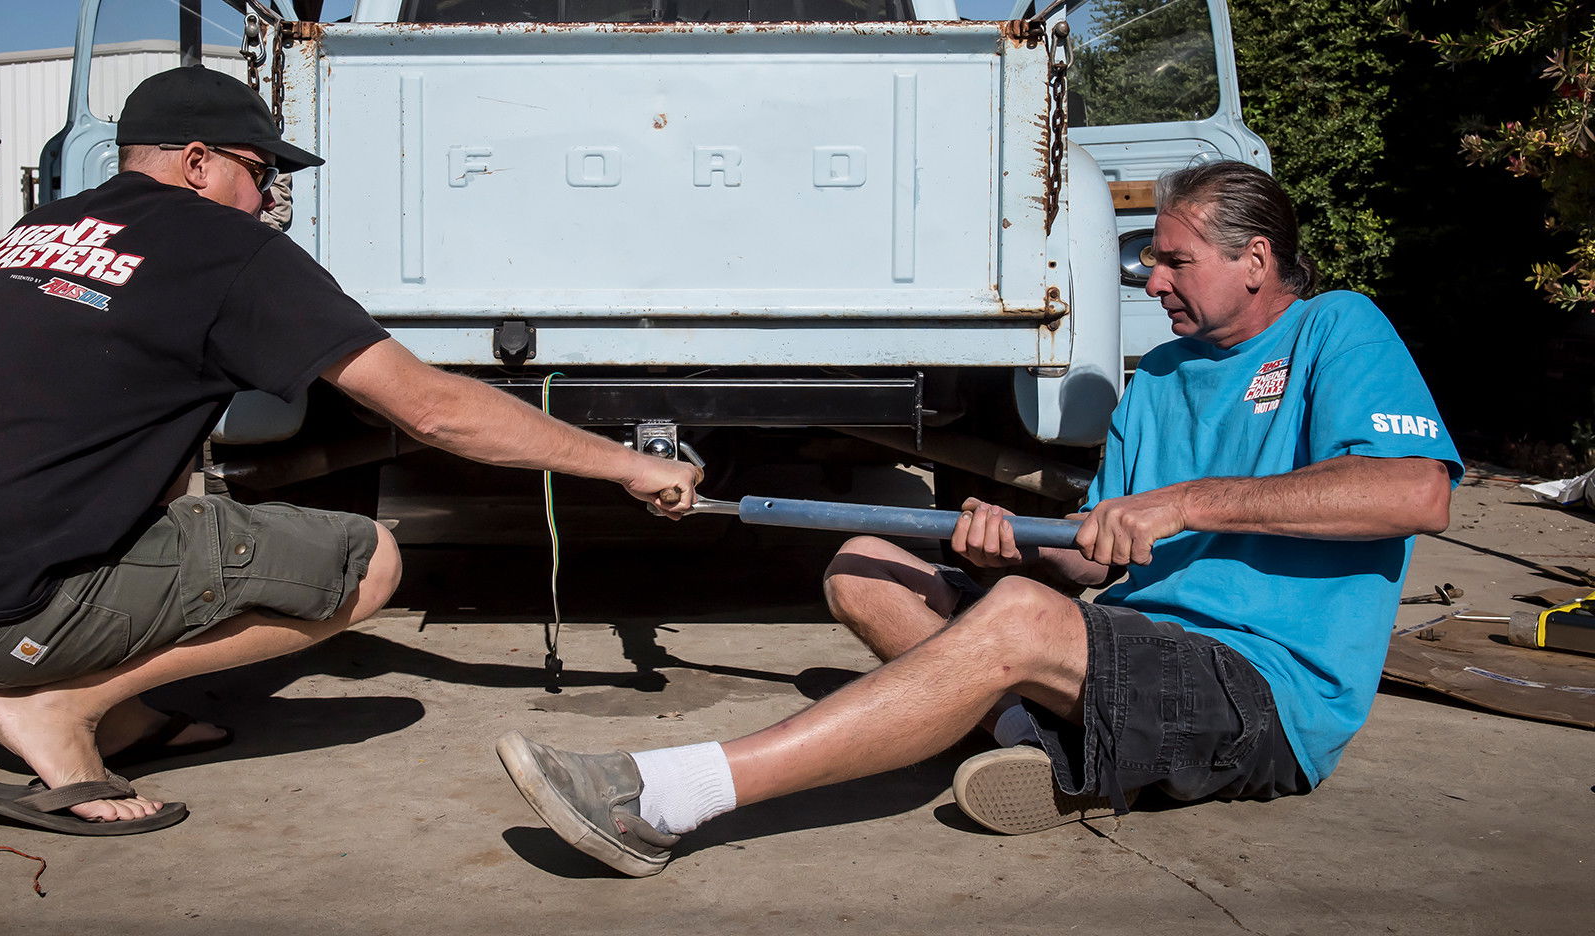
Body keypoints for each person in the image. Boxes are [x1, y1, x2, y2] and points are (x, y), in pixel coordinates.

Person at [496, 160, 1460, 876]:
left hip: (1261, 697)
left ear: (1256, 260)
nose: (1151, 281)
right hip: (1137, 643)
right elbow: (1097, 564)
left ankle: (665, 800)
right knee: (867, 562)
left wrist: (1181, 504)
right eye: (1150, 263)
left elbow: (1415, 493)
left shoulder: (1338, 326)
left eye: (1174, 261)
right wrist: (1020, 553)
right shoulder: (1159, 377)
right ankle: (1053, 756)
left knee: (1016, 627)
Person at [0, 66, 700, 835]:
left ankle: (126, 710)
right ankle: (63, 706)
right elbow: (434, 411)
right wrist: (629, 464)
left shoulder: (37, 229)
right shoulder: (227, 248)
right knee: (369, 563)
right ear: (194, 161)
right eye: (259, 172)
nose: (267, 197)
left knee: (182, 509)